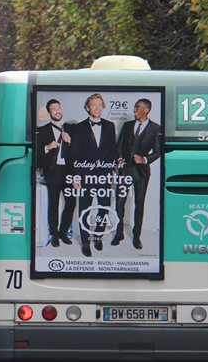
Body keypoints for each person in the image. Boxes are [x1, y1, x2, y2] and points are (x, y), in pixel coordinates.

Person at [67, 93, 118, 257]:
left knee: (104, 208)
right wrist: (75, 176)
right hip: (84, 176)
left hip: (103, 175)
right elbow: (74, 154)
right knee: (84, 210)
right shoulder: (79, 127)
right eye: (93, 105)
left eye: (99, 105)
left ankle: (98, 236)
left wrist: (112, 168)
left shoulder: (110, 126)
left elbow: (112, 150)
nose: (97, 108)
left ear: (102, 107)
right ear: (87, 108)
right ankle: (85, 243)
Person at [113, 98, 162, 250]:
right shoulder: (128, 126)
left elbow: (159, 151)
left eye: (137, 107)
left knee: (139, 204)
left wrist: (145, 159)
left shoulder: (156, 128)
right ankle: (119, 232)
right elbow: (120, 145)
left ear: (146, 110)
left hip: (142, 173)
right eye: (134, 108)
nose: (134, 110)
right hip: (125, 170)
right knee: (119, 202)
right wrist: (120, 158)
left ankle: (136, 236)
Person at [35, 98, 76, 247]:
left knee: (71, 202)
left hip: (69, 170)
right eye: (54, 109)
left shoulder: (72, 128)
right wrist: (47, 146)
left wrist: (70, 141)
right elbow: (37, 153)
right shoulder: (42, 130)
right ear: (48, 113)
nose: (57, 111)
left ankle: (63, 231)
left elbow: (80, 150)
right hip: (53, 170)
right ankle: (53, 234)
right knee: (53, 203)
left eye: (59, 108)